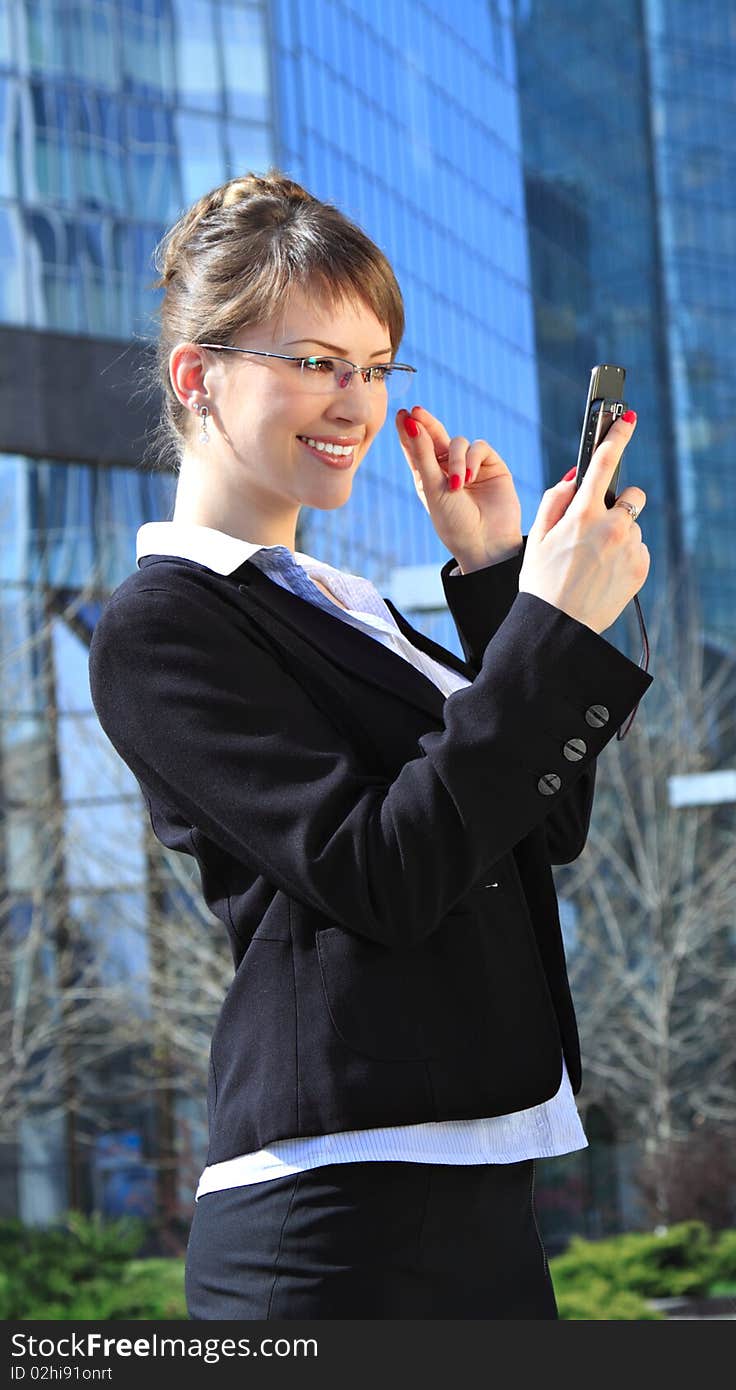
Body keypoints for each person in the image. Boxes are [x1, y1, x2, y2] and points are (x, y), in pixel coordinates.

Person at [87, 169, 653, 1320]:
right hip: (333, 1226)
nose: (352, 401)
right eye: (312, 363)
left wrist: (499, 583)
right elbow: (380, 873)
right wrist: (545, 625)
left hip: (482, 1188)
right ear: (198, 375)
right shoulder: (164, 622)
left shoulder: (346, 606)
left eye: (373, 367)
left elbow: (542, 822)